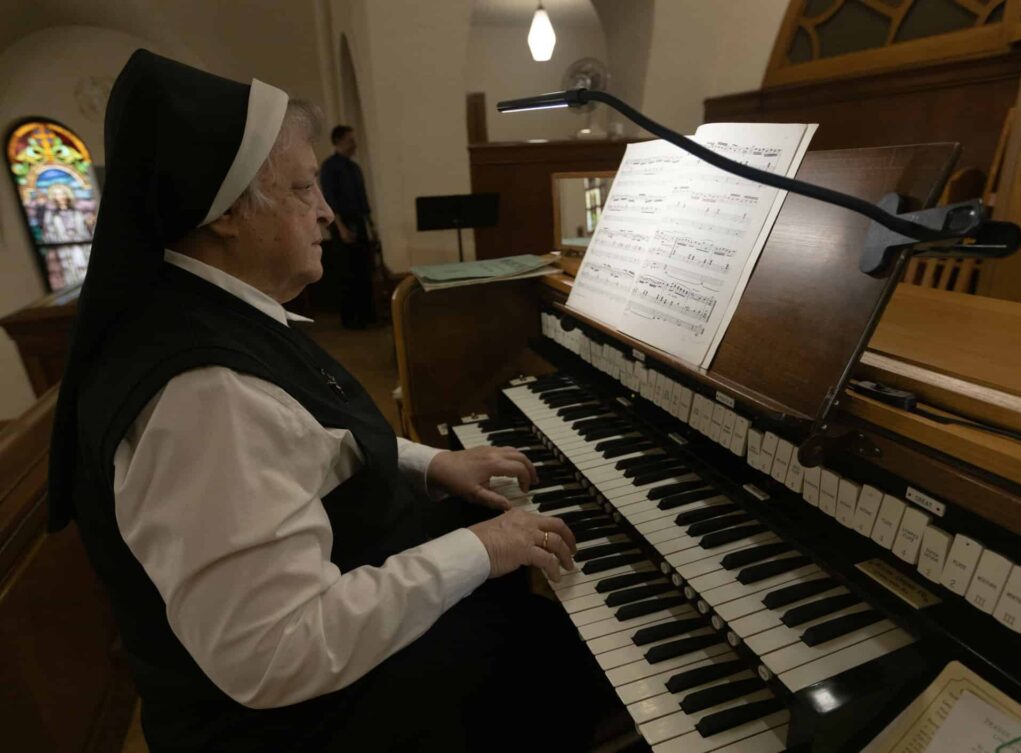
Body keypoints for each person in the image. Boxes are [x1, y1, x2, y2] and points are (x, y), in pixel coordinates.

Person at [47, 50, 616, 753]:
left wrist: (428, 462)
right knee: (582, 658)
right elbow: (278, 649)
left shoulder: (200, 312)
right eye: (303, 188)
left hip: (319, 669)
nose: (324, 213)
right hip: (307, 722)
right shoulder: (201, 394)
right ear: (226, 213)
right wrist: (479, 547)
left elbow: (295, 432)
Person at [320, 124, 376, 327]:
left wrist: (371, 226)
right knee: (348, 273)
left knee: (364, 270)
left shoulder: (354, 168)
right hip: (342, 223)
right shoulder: (329, 167)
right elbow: (330, 200)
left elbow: (363, 200)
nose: (354, 144)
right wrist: (341, 228)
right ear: (338, 141)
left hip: (359, 222)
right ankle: (351, 319)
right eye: (350, 140)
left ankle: (367, 316)